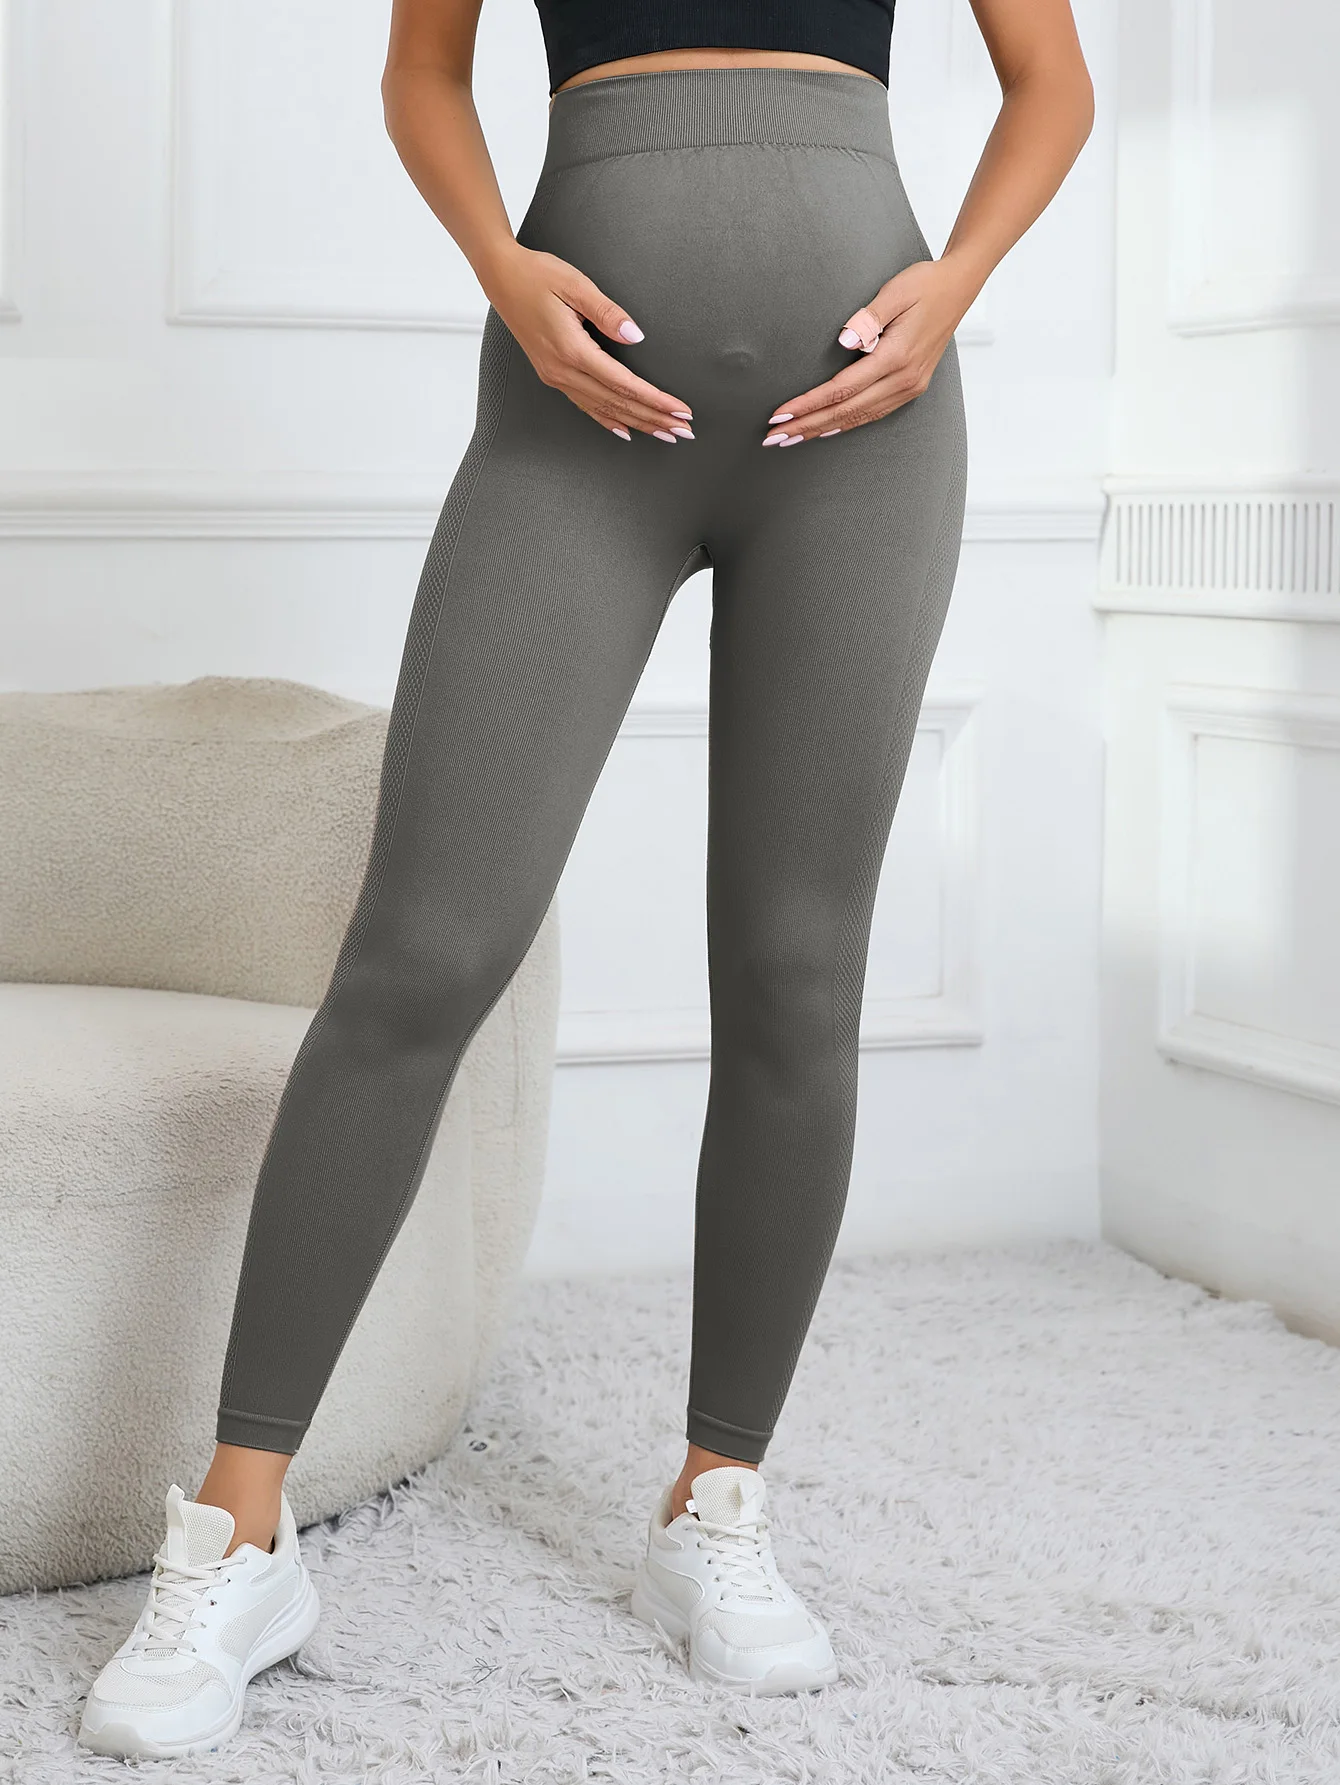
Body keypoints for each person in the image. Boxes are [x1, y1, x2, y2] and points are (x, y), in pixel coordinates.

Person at [77, 0, 1093, 1757]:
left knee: (796, 971)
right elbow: (422, 68)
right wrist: (502, 267)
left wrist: (959, 283)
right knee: (419, 954)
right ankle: (239, 1533)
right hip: (574, 422)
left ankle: (717, 1500)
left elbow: (1051, 83)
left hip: (864, 424)